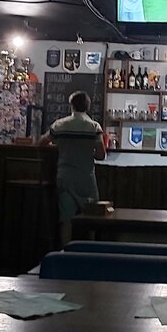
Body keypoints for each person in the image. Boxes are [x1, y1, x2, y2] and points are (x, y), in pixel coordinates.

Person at [38, 91, 107, 239]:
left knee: (66, 220)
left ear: (71, 105)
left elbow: (41, 143)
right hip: (86, 178)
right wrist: (87, 153)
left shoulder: (59, 125)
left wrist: (59, 147)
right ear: (88, 106)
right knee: (92, 218)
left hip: (65, 177)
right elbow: (101, 155)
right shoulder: (94, 127)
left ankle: (66, 249)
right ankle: (90, 249)